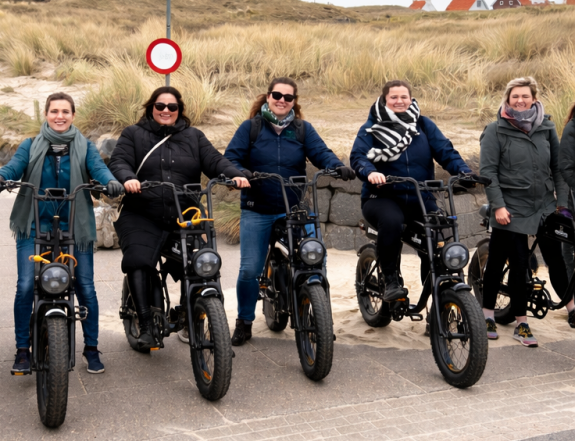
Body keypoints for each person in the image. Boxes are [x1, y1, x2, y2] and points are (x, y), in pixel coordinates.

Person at [0, 92, 122, 375]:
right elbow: (14, 167)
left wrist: (111, 182)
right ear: (46, 114)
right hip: (34, 224)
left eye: (65, 111)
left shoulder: (85, 146)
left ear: (73, 115)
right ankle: (22, 349)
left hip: (75, 226)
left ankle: (91, 348)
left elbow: (98, 169)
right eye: (54, 111)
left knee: (85, 286)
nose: (60, 116)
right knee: (26, 285)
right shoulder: (30, 145)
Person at [109, 86, 249, 349]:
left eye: (172, 107)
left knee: (201, 264)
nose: (166, 111)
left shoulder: (194, 136)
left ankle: (188, 314)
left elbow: (214, 161)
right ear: (151, 108)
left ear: (179, 110)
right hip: (141, 213)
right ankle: (146, 325)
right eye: (160, 106)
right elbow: (119, 161)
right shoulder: (133, 134)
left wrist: (235, 175)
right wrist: (128, 178)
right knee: (138, 261)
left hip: (184, 215)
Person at [224, 77, 354, 346]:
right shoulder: (251, 128)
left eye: (288, 97)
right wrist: (240, 173)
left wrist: (336, 166)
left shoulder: (302, 129)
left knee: (315, 260)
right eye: (277, 95)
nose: (282, 100)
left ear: (294, 101)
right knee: (249, 270)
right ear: (268, 97)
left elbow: (321, 153)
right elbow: (231, 158)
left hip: (294, 209)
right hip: (257, 209)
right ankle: (244, 321)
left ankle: (320, 318)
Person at [351, 80, 473, 304]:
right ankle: (390, 280)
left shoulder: (423, 125)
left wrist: (464, 172)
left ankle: (438, 297)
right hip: (382, 197)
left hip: (420, 197)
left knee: (437, 236)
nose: (399, 101)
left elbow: (445, 151)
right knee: (392, 221)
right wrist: (370, 172)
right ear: (385, 99)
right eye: (394, 97)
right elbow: (358, 157)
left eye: (403, 97)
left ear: (411, 99)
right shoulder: (371, 127)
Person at [479, 77, 574, 346]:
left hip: (544, 206)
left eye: (525, 96)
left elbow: (558, 169)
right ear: (507, 100)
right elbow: (488, 172)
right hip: (510, 208)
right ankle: (499, 318)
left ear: (534, 99)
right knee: (511, 263)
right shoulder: (495, 130)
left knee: (555, 258)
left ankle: (571, 307)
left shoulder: (546, 127)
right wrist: (498, 206)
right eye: (515, 96)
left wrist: (561, 204)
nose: (520, 100)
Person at [557, 102, 575, 281]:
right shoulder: (572, 129)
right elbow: (566, 167)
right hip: (570, 197)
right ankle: (570, 288)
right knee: (568, 245)